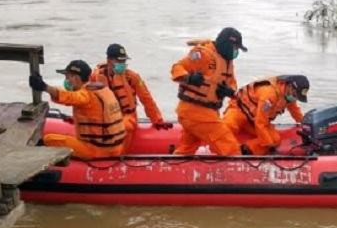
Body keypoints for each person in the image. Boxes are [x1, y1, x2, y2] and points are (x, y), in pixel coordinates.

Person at [169, 27, 247, 156]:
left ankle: (172, 171)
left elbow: (232, 84)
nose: (236, 52)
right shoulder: (203, 55)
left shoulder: (227, 61)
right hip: (196, 111)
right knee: (231, 148)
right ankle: (236, 175)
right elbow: (177, 67)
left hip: (203, 112)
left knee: (186, 150)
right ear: (228, 44)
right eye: (235, 48)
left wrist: (229, 91)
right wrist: (188, 77)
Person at [29, 60, 125, 160]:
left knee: (49, 139)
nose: (66, 80)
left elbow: (70, 97)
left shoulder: (86, 94)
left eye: (67, 77)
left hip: (97, 149)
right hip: (114, 147)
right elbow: (98, 116)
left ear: (76, 78)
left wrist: (44, 87)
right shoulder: (104, 90)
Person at [91, 43, 171, 153]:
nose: (122, 64)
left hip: (127, 116)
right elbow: (83, 95)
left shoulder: (132, 77)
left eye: (124, 61)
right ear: (109, 61)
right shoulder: (96, 76)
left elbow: (146, 99)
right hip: (105, 116)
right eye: (119, 61)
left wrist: (157, 120)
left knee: (124, 126)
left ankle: (118, 155)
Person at [223, 75, 309, 155]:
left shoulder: (289, 96)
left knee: (275, 140)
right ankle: (219, 148)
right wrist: (268, 144)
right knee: (227, 126)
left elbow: (296, 112)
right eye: (295, 95)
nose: (295, 98)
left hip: (253, 120)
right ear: (290, 87)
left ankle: (244, 150)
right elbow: (260, 123)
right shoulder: (270, 94)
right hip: (239, 110)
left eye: (297, 96)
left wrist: (305, 123)